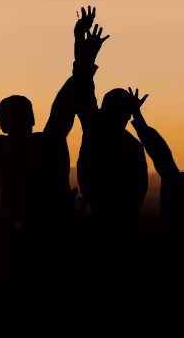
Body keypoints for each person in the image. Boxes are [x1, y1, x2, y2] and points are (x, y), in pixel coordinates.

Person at [0, 7, 102, 231]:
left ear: (2, 123)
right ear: (32, 118)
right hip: (57, 231)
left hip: (14, 241)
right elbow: (72, 93)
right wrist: (82, 52)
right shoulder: (50, 143)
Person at [73, 12, 149, 224]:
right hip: (119, 219)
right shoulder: (131, 144)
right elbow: (83, 84)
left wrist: (83, 45)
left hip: (105, 216)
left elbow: (82, 84)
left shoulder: (94, 129)